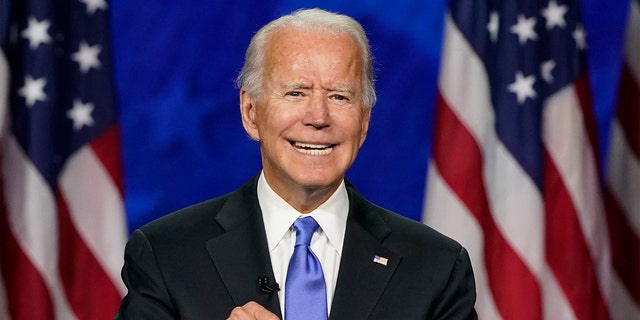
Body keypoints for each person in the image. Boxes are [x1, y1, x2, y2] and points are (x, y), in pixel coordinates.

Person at [115, 8, 477, 320]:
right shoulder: (167, 254)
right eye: (296, 93)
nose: (318, 117)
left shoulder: (436, 268)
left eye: (339, 96)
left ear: (364, 121)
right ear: (250, 111)